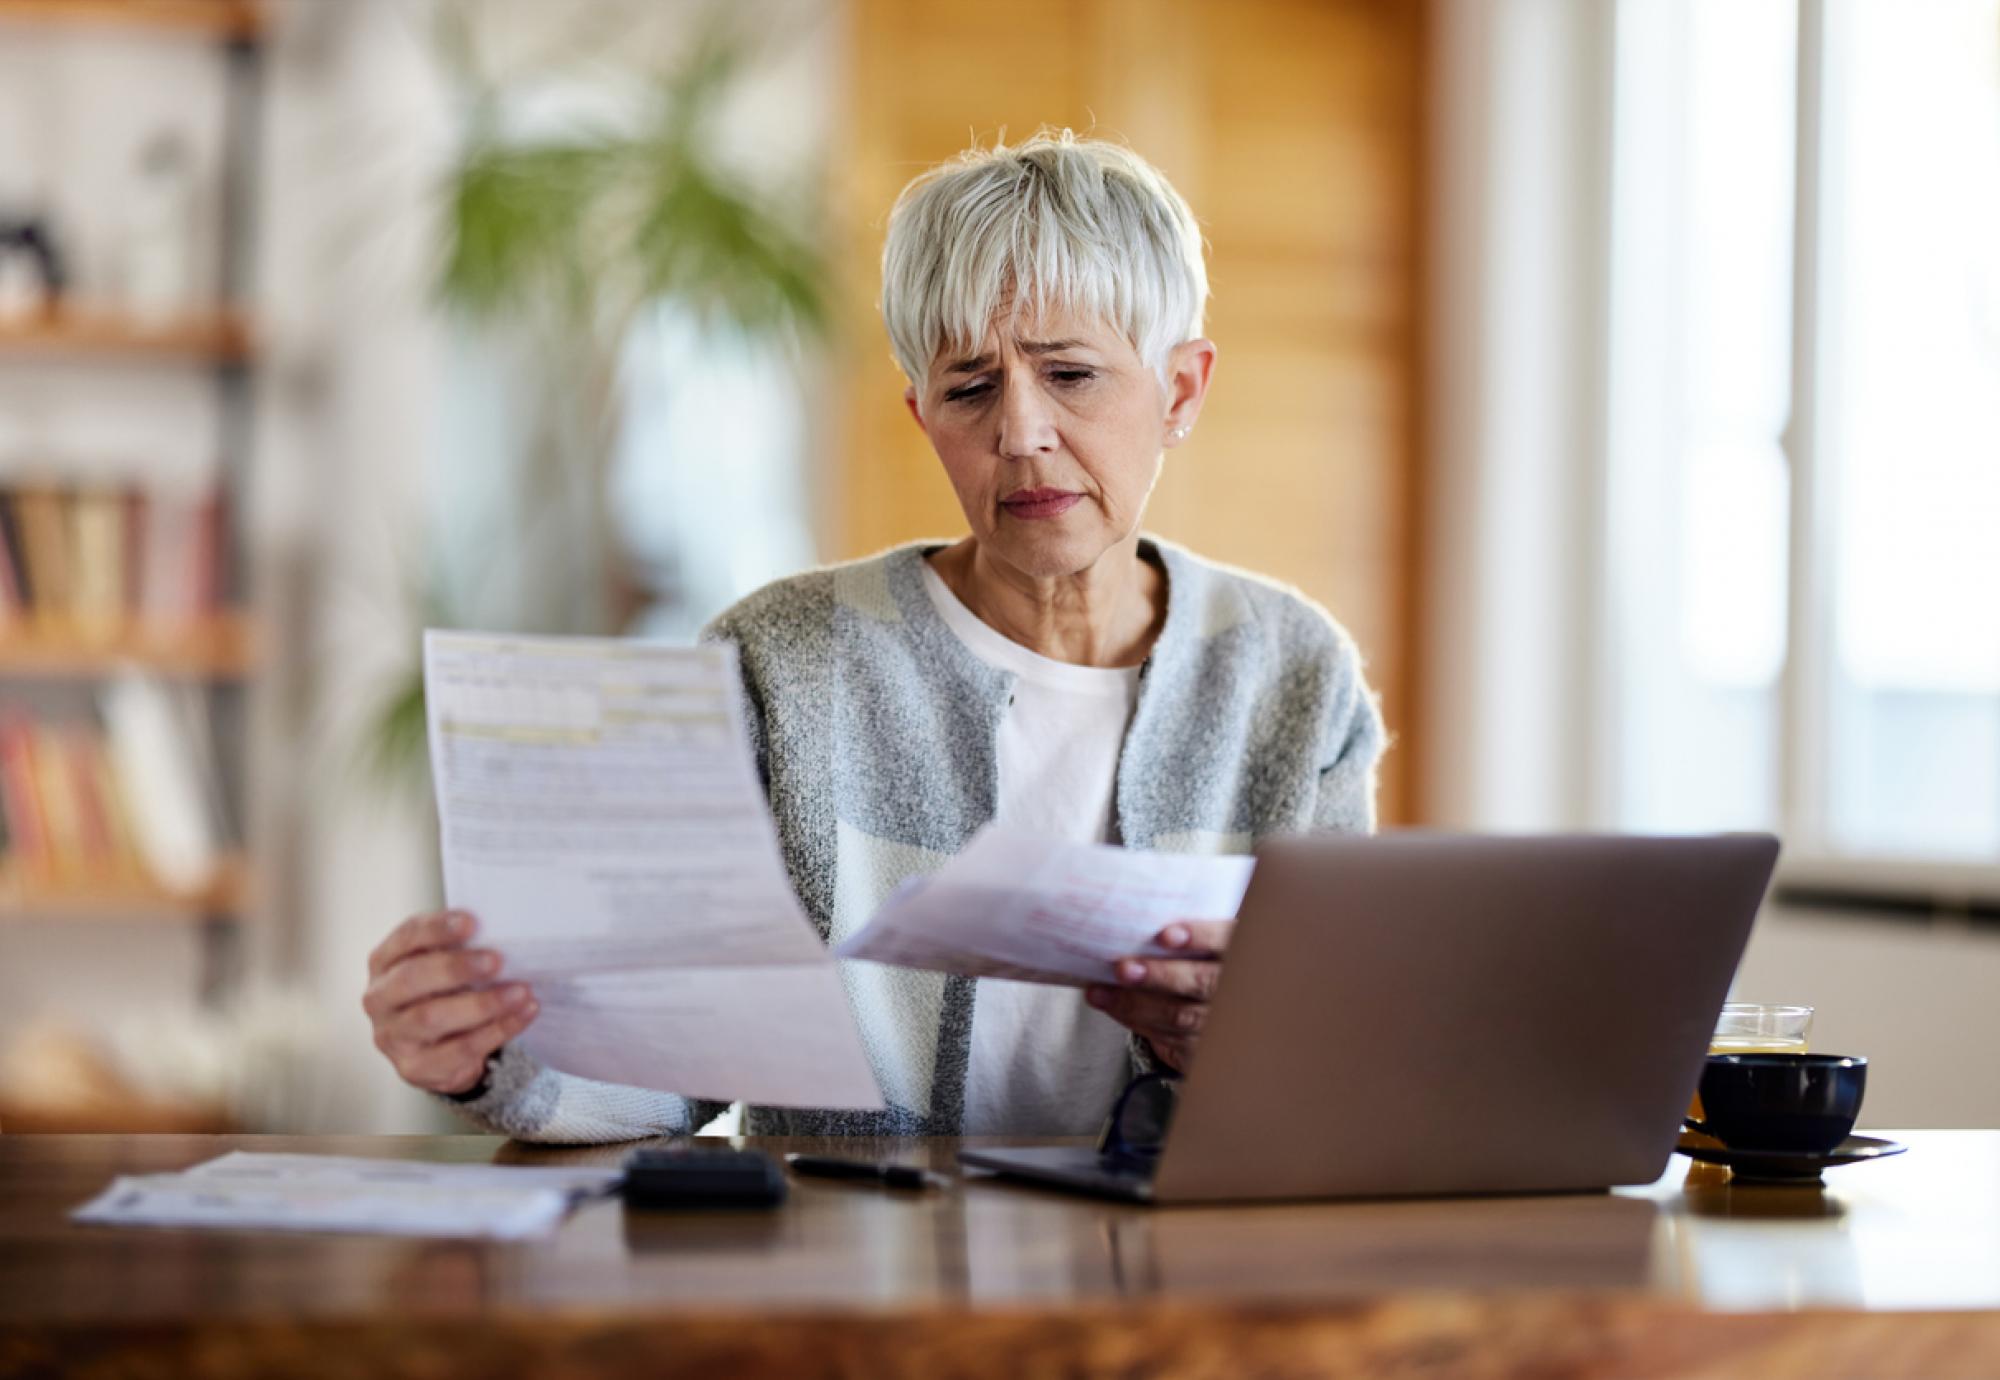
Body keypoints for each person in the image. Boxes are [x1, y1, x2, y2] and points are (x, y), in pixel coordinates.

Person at [363, 129, 1386, 1143]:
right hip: (856, 1266)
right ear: (920, 412)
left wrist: (1242, 1047)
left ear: (1180, 390)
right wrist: (490, 1057)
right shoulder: (781, 661)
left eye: (1069, 374)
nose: (1020, 433)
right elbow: (668, 1067)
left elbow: (1340, 1072)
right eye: (969, 387)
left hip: (1177, 1270)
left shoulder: (1291, 676)